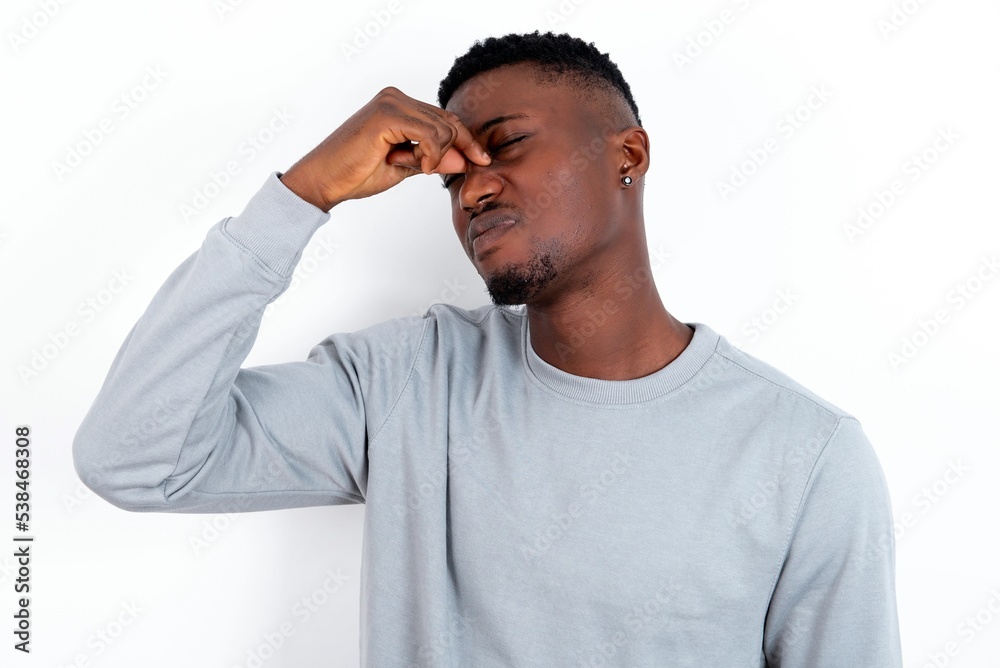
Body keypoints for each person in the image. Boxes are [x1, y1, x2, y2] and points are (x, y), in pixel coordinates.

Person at [73, 30, 904, 667]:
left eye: (504, 144)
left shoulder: (805, 455)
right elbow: (134, 458)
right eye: (449, 177)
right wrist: (305, 193)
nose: (472, 185)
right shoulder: (403, 386)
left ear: (629, 155)